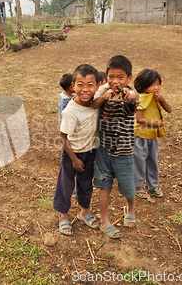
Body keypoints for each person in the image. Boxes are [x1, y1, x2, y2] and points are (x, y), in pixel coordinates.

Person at [92, 55, 138, 239]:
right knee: (104, 186)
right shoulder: (105, 93)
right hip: (104, 150)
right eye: (111, 76)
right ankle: (104, 220)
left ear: (129, 78)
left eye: (120, 77)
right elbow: (94, 103)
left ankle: (131, 207)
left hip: (124, 153)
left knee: (127, 187)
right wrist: (105, 96)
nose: (115, 81)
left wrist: (131, 95)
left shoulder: (129, 98)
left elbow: (134, 100)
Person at [54, 64, 100, 236]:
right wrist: (74, 159)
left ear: (97, 86)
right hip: (71, 153)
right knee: (66, 184)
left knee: (86, 184)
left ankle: (84, 212)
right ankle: (63, 215)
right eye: (80, 84)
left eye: (90, 84)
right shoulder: (70, 111)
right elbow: (63, 137)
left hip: (90, 152)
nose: (85, 89)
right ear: (73, 86)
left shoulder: (96, 103)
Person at [133, 69, 172, 199]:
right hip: (140, 136)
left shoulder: (156, 98)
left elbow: (169, 110)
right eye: (152, 85)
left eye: (157, 84)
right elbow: (139, 118)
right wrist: (155, 124)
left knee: (152, 160)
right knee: (139, 160)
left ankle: (153, 185)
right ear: (143, 86)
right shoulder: (142, 98)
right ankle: (138, 186)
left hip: (152, 136)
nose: (156, 87)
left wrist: (163, 100)